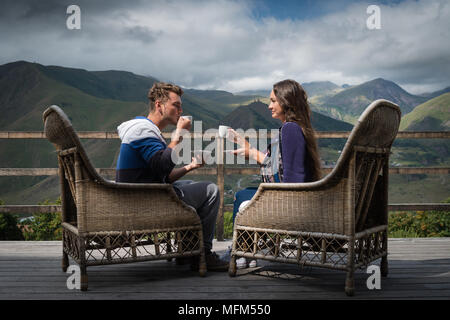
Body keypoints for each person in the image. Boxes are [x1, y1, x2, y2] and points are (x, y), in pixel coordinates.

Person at [115, 82, 228, 271]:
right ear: (159, 105)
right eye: (176, 105)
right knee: (211, 190)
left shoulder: (144, 129)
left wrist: (190, 166)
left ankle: (188, 252)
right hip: (147, 202)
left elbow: (162, 175)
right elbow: (163, 165)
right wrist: (178, 136)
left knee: (190, 182)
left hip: (143, 194)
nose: (180, 110)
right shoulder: (142, 131)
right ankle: (203, 254)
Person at [226, 79, 322, 269]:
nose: (269, 106)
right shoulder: (298, 127)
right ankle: (247, 252)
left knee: (241, 196)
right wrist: (252, 152)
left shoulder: (290, 129)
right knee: (246, 192)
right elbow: (286, 168)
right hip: (299, 197)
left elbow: (292, 180)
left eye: (272, 101)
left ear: (285, 102)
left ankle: (240, 252)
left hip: (292, 203)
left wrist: (253, 153)